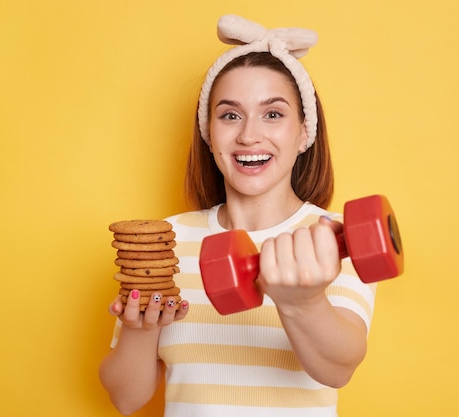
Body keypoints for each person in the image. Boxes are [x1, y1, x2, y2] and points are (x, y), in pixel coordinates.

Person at [99, 14, 377, 417]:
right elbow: (126, 400)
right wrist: (141, 331)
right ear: (209, 133)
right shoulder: (166, 245)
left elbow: (338, 369)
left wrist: (301, 301)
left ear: (304, 132)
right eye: (230, 115)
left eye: (273, 114)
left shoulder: (331, 238)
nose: (248, 135)